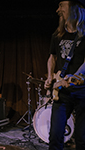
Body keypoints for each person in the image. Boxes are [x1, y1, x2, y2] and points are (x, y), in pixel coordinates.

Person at [44, 1, 85, 150]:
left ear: (75, 7)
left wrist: (69, 79)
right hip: (62, 93)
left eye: (61, 5)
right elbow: (52, 57)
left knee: (82, 139)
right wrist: (50, 76)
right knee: (55, 136)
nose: (57, 10)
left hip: (82, 92)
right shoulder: (57, 35)